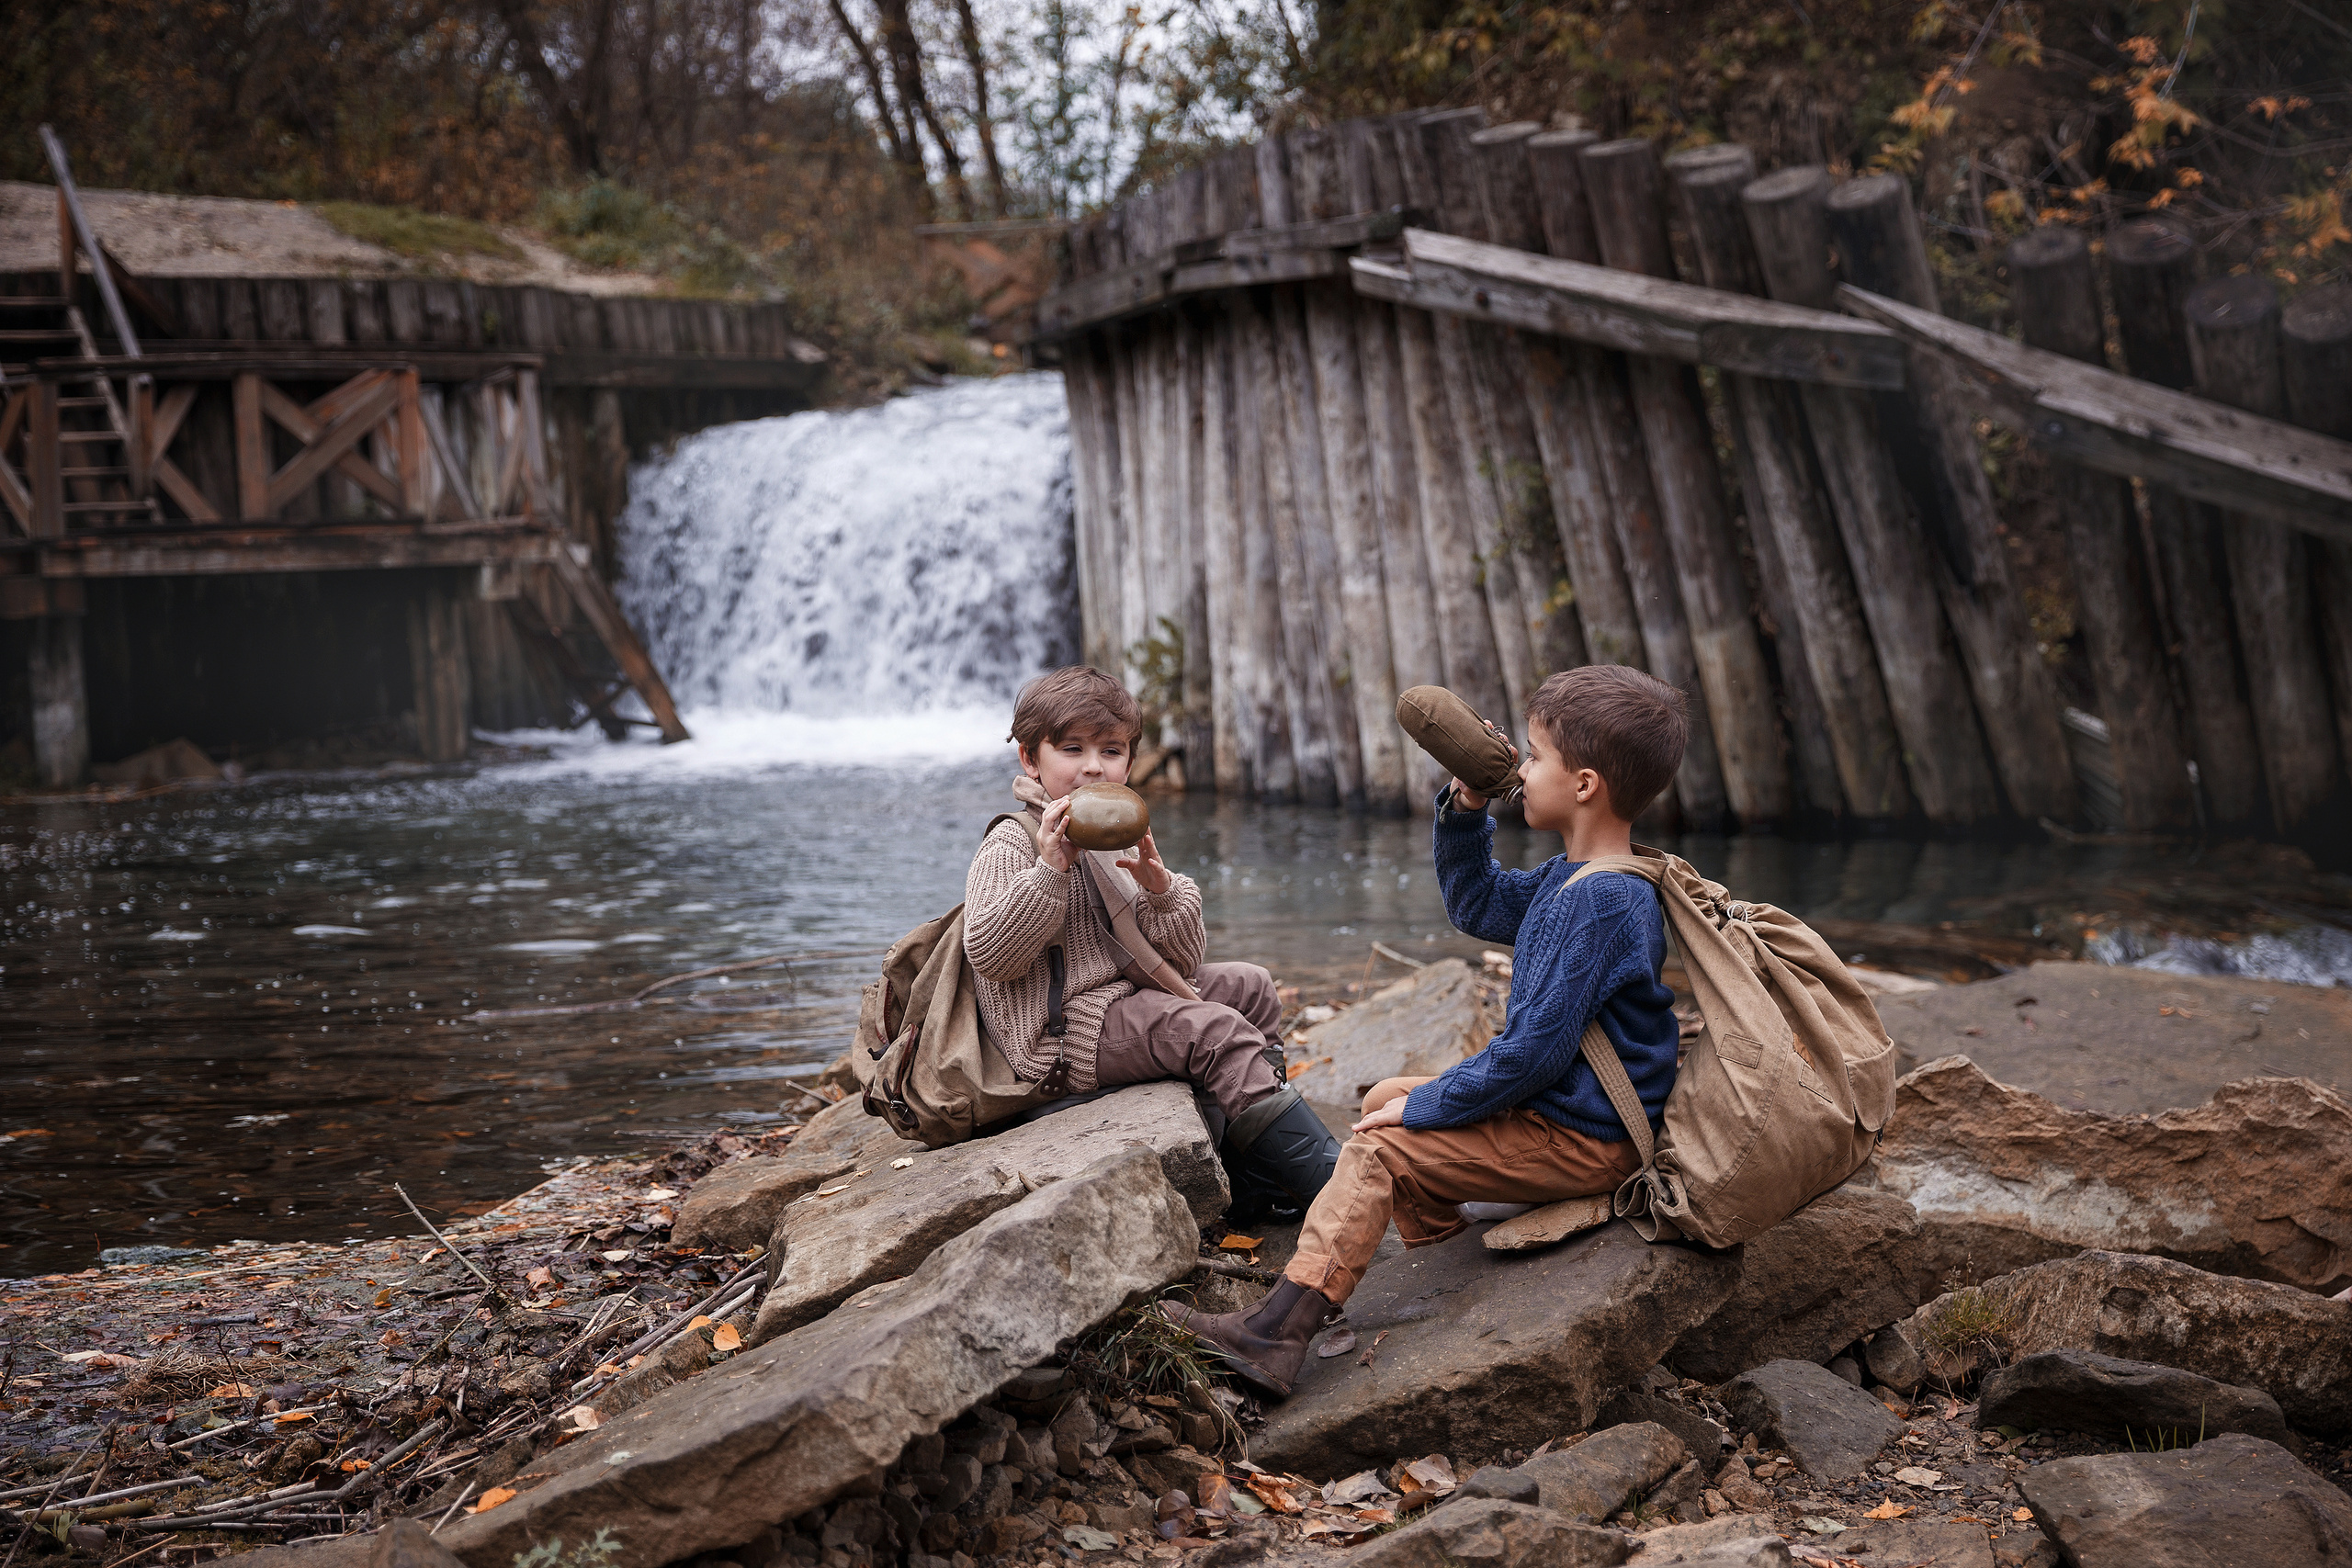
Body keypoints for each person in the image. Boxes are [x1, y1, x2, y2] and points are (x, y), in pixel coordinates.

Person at [1167, 665, 1689, 1394]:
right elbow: (1476, 903)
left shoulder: (1601, 902)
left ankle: (1275, 1332)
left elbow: (1533, 1055)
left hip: (1585, 1135)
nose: (1523, 766)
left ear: (1585, 785)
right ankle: (1443, 1259)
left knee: (1381, 1143)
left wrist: (1431, 1107)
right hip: (1564, 1108)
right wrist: (1468, 803)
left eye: (1535, 756)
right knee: (1385, 1093)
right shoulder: (1571, 878)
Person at [966, 665, 1340, 1217]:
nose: (1093, 766)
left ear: (1130, 762)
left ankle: (1256, 1176)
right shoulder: (1012, 843)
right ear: (1030, 758)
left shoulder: (1111, 835)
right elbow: (992, 957)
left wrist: (1161, 891)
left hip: (1124, 995)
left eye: (1111, 752)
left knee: (1252, 988)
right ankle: (1334, 1189)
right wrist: (1048, 872)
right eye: (1071, 749)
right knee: (1212, 1030)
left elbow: (1184, 962)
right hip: (1062, 1034)